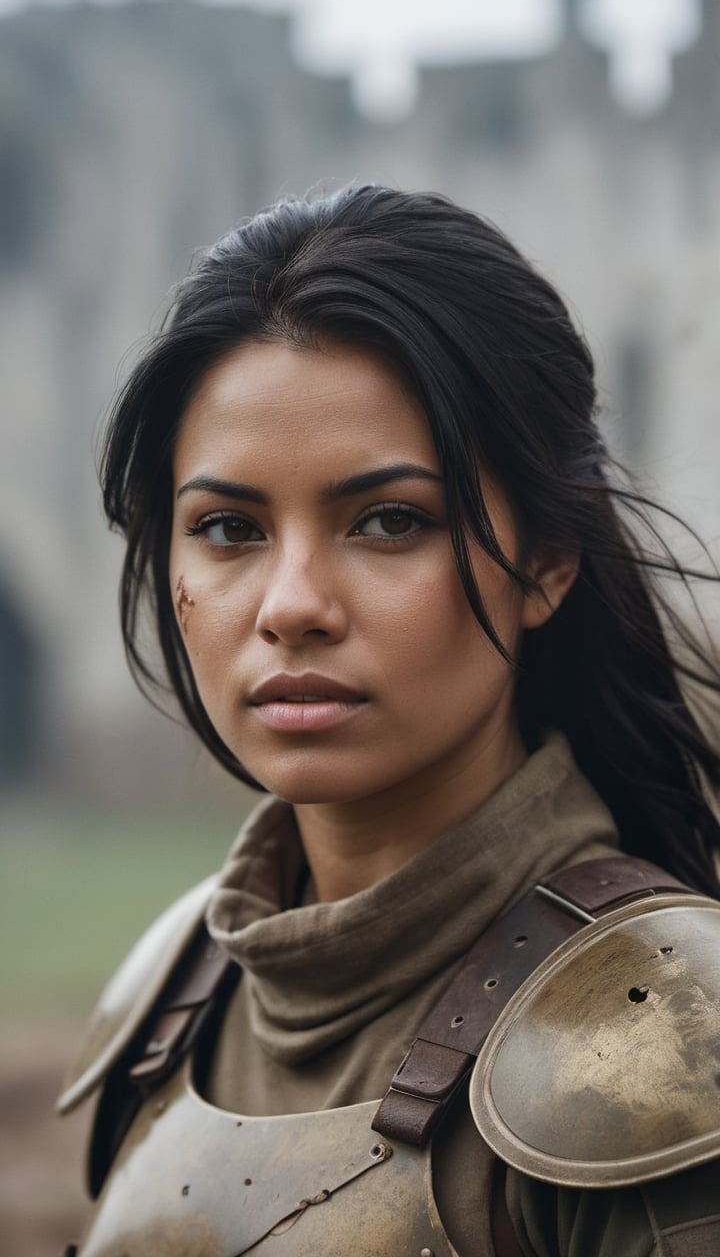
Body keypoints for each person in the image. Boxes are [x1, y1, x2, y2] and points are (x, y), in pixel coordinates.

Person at [59, 184, 720, 1256]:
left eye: (388, 520)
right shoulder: (167, 997)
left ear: (547, 560)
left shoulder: (669, 1043)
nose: (292, 606)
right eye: (228, 527)